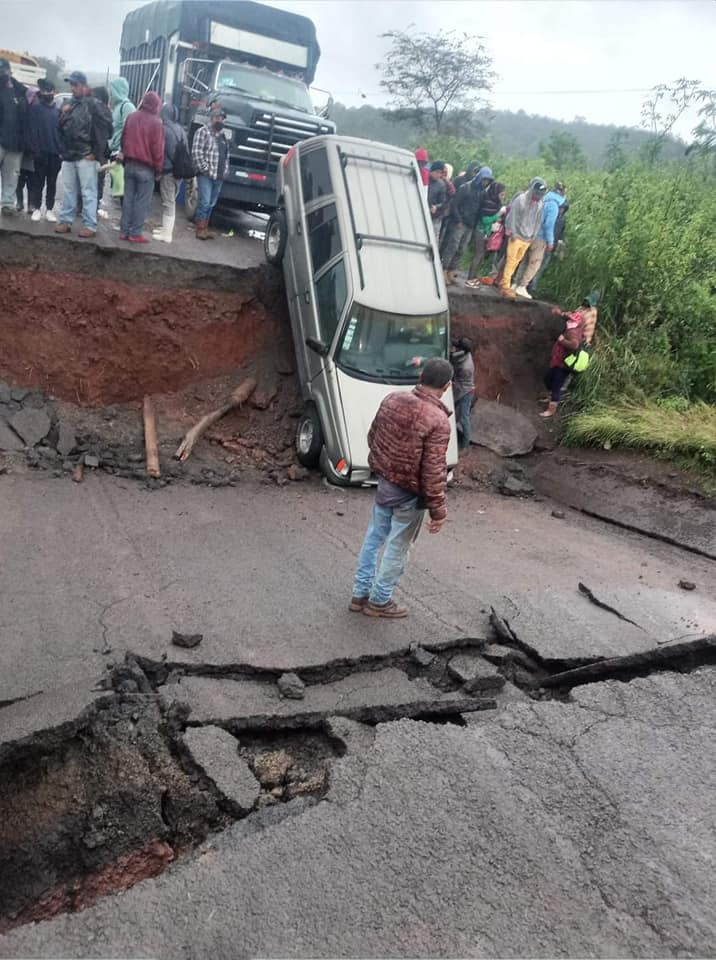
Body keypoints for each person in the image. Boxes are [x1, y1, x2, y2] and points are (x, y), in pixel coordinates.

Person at [350, 357, 454, 619]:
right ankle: (380, 601)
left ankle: (359, 595)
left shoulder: (392, 400)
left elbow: (373, 437)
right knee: (398, 547)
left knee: (374, 538)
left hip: (385, 484)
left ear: (420, 378)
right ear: (447, 386)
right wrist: (438, 511)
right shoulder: (438, 421)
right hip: (409, 496)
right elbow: (433, 471)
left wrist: (386, 467)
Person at [55, 70, 113, 238]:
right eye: (71, 85)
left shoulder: (94, 104)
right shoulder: (69, 105)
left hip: (86, 156)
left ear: (84, 86)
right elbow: (60, 128)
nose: (73, 88)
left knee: (88, 191)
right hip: (69, 155)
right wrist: (63, 114)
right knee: (68, 190)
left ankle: (90, 225)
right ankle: (65, 221)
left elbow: (105, 129)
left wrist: (96, 152)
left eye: (76, 85)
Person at [119, 90, 164, 243]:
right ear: (156, 105)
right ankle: (135, 233)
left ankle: (124, 231)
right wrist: (159, 169)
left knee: (128, 199)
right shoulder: (156, 122)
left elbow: (123, 139)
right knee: (142, 202)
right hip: (146, 168)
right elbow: (157, 149)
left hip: (129, 164)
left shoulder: (132, 117)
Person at [440, 165, 493, 285]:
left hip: (470, 225)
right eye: (485, 179)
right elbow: (455, 204)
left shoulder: (482, 193)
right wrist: (458, 220)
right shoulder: (466, 187)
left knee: (461, 249)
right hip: (460, 222)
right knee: (452, 246)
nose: (486, 182)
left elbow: (480, 209)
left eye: (488, 180)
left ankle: (452, 270)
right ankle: (443, 269)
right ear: (480, 177)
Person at [515, 183, 567, 299]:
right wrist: (550, 242)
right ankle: (522, 286)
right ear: (562, 193)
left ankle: (516, 283)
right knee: (534, 264)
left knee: (525, 260)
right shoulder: (553, 205)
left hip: (531, 234)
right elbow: (549, 224)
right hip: (541, 238)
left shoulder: (543, 200)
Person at [500, 177, 547, 298]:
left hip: (528, 238)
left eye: (541, 195)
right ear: (533, 190)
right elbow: (512, 217)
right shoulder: (520, 200)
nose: (538, 196)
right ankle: (505, 286)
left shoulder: (541, 204)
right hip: (516, 236)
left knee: (516, 261)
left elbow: (538, 221)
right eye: (537, 194)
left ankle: (504, 281)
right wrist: (513, 233)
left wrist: (533, 236)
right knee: (510, 261)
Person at [191, 103, 229, 240]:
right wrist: (205, 169)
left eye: (223, 119)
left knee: (212, 203)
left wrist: (225, 171)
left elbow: (226, 155)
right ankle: (200, 229)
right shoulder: (202, 132)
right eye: (219, 118)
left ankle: (205, 228)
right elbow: (196, 153)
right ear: (212, 118)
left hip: (219, 176)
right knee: (205, 202)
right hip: (206, 175)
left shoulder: (223, 136)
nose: (221, 121)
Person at [541, 306, 587, 418]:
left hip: (564, 365)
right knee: (548, 379)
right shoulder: (573, 327)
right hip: (559, 362)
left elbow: (574, 345)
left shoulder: (573, 333)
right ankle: (550, 396)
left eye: (572, 320)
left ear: (578, 323)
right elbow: (567, 317)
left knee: (556, 385)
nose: (570, 321)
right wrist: (560, 313)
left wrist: (562, 341)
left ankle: (551, 409)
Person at [153, 103, 188, 243]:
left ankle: (167, 234)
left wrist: (159, 170)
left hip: (169, 171)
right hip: (180, 172)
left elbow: (161, 152)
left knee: (168, 202)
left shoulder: (164, 129)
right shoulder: (181, 130)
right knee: (171, 199)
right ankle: (165, 229)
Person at [28, 78, 61, 221]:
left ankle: (49, 209)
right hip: (40, 153)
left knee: (52, 183)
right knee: (38, 182)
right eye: (43, 90)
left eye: (48, 90)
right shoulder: (35, 109)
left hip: (55, 154)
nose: (46, 93)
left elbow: (63, 133)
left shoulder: (59, 112)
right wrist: (35, 149)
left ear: (54, 92)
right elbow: (31, 131)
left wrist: (61, 151)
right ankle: (36, 208)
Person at [0, 57, 29, 216]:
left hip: (17, 143)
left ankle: (7, 203)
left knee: (11, 175)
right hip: (1, 140)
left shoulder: (21, 91)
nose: (2, 73)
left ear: (10, 71)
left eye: (4, 70)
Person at [108, 77, 136, 208]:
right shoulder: (118, 106)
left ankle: (127, 223)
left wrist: (122, 151)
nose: (110, 93)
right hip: (115, 152)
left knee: (123, 190)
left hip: (121, 154)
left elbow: (130, 131)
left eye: (112, 90)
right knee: (118, 189)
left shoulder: (127, 106)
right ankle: (125, 222)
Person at [450, 337, 475, 450]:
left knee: (464, 418)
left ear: (461, 351)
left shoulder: (466, 367)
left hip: (465, 391)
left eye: (457, 348)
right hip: (460, 388)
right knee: (450, 412)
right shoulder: (465, 352)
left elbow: (453, 370)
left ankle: (465, 444)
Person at [92, 86, 112, 218]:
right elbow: (110, 134)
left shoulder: (91, 111)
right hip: (102, 155)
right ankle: (95, 207)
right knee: (98, 182)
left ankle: (80, 207)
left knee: (86, 182)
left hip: (90, 153)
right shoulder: (108, 113)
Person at [427, 161, 448, 243]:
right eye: (437, 172)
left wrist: (436, 207)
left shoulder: (441, 185)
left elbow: (444, 202)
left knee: (433, 239)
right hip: (422, 212)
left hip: (435, 217)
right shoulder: (424, 180)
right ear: (432, 171)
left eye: (440, 173)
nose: (438, 175)